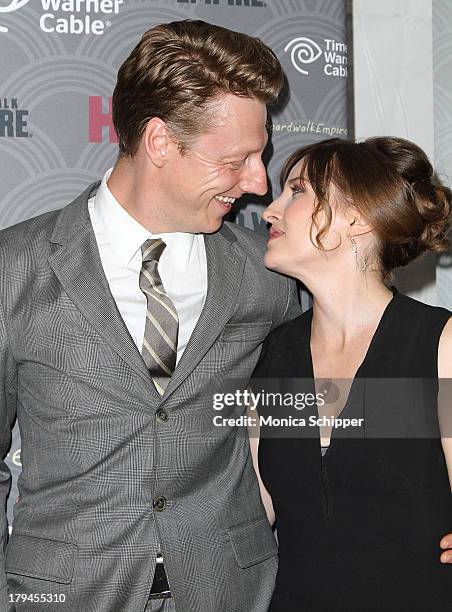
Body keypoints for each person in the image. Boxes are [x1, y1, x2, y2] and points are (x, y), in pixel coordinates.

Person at [0, 20, 301, 612]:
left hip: (230, 591)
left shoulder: (267, 275)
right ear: (160, 142)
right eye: (237, 159)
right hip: (62, 595)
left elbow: (323, 412)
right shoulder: (14, 268)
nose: (259, 183)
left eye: (259, 156)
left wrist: (433, 486)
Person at [250, 137, 452, 611]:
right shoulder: (273, 356)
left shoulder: (440, 346)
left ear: (357, 218)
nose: (268, 212)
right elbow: (253, 516)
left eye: (296, 191)